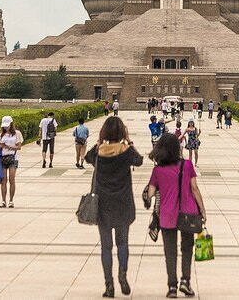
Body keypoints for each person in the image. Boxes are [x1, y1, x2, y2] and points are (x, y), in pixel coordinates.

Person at [85, 116, 144, 298]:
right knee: (122, 242)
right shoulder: (126, 151)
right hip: (122, 203)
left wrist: (98, 142)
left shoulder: (98, 152)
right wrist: (129, 142)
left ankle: (109, 285)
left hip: (102, 204)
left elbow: (88, 157)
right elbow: (139, 160)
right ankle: (123, 274)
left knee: (106, 246)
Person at [145, 133, 207, 298]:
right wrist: (203, 209)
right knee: (187, 249)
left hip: (167, 215)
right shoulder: (186, 165)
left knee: (170, 252)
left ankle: (172, 287)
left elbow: (150, 193)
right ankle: (185, 282)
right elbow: (194, 188)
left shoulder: (158, 169)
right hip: (188, 212)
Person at [0, 115, 22, 208]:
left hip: (13, 158)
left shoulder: (17, 133)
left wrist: (9, 146)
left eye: (7, 126)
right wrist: (1, 145)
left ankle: (11, 200)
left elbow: (19, 146)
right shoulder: (2, 134)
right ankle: (3, 200)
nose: (6, 127)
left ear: (11, 124)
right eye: (4, 126)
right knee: (4, 180)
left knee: (12, 179)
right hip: (3, 158)